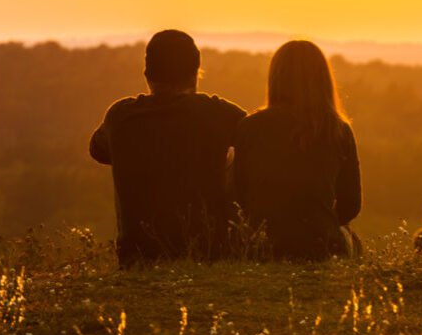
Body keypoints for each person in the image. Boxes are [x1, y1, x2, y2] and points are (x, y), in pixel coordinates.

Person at [89, 30, 246, 267]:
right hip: (208, 255)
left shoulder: (120, 117)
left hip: (138, 259)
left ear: (147, 76)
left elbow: (98, 150)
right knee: (238, 159)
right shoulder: (219, 115)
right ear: (195, 75)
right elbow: (259, 139)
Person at [233, 40, 361, 260]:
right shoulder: (338, 130)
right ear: (323, 80)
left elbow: (240, 194)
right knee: (355, 242)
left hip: (263, 248)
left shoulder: (249, 127)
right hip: (320, 247)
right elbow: (351, 205)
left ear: (275, 78)